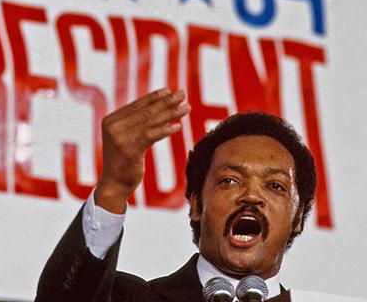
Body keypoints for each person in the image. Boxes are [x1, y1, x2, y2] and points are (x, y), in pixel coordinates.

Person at [35, 88, 316, 302]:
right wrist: (114, 188)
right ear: (196, 203)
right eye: (229, 180)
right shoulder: (129, 297)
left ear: (298, 216)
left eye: (276, 185)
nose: (252, 195)